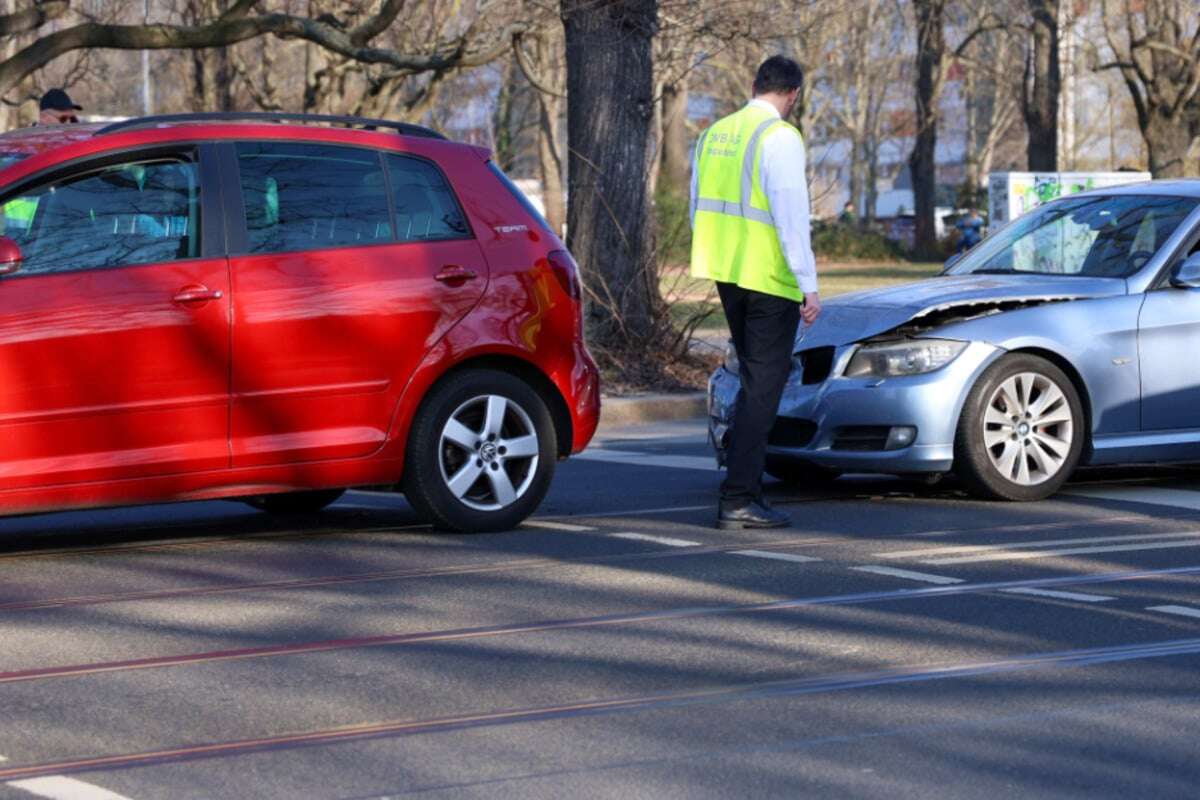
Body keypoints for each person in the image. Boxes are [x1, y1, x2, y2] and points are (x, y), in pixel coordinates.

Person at [690, 55, 820, 530]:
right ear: (793, 95)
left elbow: (695, 204)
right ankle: (740, 497)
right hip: (768, 277)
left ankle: (744, 487)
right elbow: (791, 217)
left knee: (752, 383)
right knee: (763, 390)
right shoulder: (780, 137)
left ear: (754, 85)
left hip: (727, 271)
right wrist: (809, 286)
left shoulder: (715, 133)